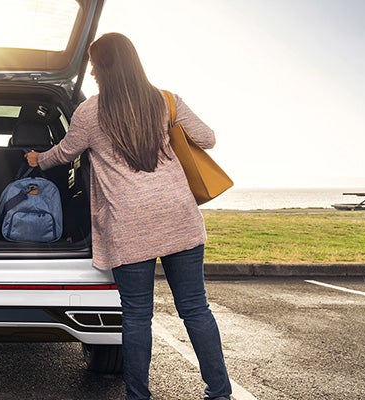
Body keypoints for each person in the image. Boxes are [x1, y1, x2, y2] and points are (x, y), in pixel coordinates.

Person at [26, 33, 231, 400]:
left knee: (137, 316)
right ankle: (219, 392)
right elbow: (208, 138)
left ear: (104, 67)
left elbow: (65, 153)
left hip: (130, 224)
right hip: (178, 217)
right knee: (195, 309)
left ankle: (138, 396)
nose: (91, 71)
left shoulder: (90, 113)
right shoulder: (165, 101)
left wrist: (37, 159)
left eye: (94, 64)